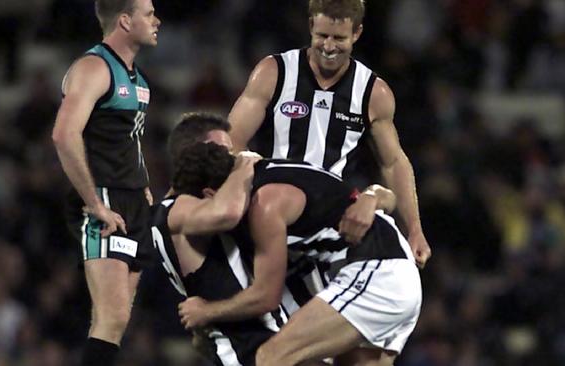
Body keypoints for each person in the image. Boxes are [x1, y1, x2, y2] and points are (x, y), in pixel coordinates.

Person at [175, 142, 422, 366]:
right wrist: (372, 196)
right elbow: (365, 199)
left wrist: (206, 312)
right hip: (393, 274)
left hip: (378, 274)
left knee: (270, 358)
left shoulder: (265, 203)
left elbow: (265, 297)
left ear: (209, 195)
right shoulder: (268, 171)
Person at [228, 0, 431, 269]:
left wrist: (415, 229)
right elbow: (232, 139)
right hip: (272, 213)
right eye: (322, 35)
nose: (329, 46)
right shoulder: (274, 72)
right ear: (311, 25)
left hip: (332, 227)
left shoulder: (373, 93)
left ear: (356, 33)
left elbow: (393, 163)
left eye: (339, 38)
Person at [51, 1, 160, 365]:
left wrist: (141, 182)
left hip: (132, 200)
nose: (157, 20)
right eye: (149, 13)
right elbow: (65, 135)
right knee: (111, 317)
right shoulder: (94, 67)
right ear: (125, 21)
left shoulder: (136, 78)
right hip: (105, 199)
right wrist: (95, 203)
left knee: (116, 320)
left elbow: (127, 139)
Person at [152, 112, 281, 366]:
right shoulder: (174, 211)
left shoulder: (193, 206)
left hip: (261, 346)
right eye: (222, 151)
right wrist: (245, 166)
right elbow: (227, 213)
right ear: (193, 154)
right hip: (245, 353)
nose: (229, 159)